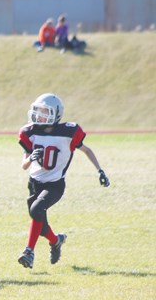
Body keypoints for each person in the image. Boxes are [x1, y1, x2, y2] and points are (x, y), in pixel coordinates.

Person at [18, 93, 110, 269]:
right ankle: (56, 241)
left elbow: (87, 150)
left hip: (54, 184)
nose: (40, 115)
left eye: (45, 111)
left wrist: (100, 170)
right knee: (40, 222)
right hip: (34, 182)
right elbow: (24, 165)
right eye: (39, 110)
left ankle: (29, 251)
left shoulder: (69, 132)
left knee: (37, 210)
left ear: (56, 113)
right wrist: (31, 158)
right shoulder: (30, 132)